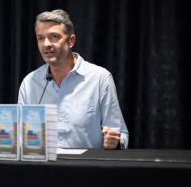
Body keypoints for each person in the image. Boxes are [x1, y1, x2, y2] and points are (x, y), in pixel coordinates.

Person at [18, 9, 129, 149]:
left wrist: (115, 142)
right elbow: (19, 138)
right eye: (41, 38)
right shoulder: (30, 83)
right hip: (42, 168)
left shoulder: (99, 78)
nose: (46, 44)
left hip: (86, 168)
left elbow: (121, 134)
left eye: (54, 36)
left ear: (71, 41)